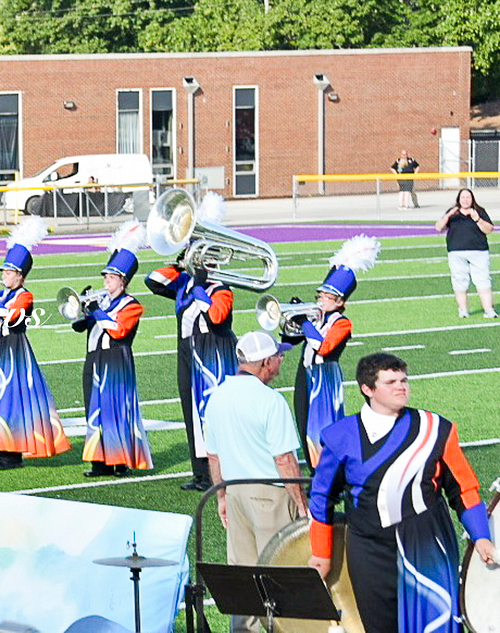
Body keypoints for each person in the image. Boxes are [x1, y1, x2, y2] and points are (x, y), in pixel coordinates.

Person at [307, 352, 497, 633]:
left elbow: (464, 488)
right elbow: (322, 497)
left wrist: (481, 535)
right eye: (391, 382)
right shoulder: (340, 436)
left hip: (428, 544)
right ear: (367, 389)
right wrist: (322, 553)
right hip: (370, 550)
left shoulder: (436, 429)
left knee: (436, 625)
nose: (401, 387)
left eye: (404, 380)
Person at [203, 331, 306, 633]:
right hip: (270, 495)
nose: (281, 361)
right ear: (265, 362)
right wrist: (301, 504)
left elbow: (213, 455)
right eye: (278, 357)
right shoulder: (270, 400)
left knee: (243, 576)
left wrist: (222, 497)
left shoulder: (218, 396)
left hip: (235, 492)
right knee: (280, 574)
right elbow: (284, 460)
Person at [145, 194, 238, 491]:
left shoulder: (221, 288)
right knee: (191, 410)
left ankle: (220, 474)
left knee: (211, 412)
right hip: (187, 351)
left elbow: (216, 317)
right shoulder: (185, 284)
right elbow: (153, 281)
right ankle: (200, 474)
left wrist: (200, 286)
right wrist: (179, 263)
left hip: (212, 352)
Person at [282, 235, 379, 465]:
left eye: (327, 297)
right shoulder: (316, 318)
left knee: (323, 425)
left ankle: (328, 471)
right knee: (303, 420)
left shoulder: (342, 323)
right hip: (305, 373)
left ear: (339, 302)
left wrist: (304, 322)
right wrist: (293, 321)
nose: (321, 300)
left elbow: (323, 347)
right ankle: (314, 470)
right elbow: (293, 340)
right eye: (320, 295)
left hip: (325, 377)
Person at [0, 216, 68, 470]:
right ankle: (5, 451)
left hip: (15, 348)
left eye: (8, 272)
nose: (3, 275)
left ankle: (11, 454)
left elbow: (11, 316)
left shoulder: (25, 296)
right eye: (3, 272)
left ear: (19, 275)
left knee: (12, 399)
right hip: (0, 347)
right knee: (1, 397)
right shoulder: (3, 293)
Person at [74, 221, 150, 477]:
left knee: (115, 410)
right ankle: (99, 462)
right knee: (93, 409)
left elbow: (118, 330)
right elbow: (80, 327)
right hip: (94, 359)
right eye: (105, 277)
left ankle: (119, 462)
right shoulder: (102, 301)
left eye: (111, 278)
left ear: (123, 281)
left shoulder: (131, 305)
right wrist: (82, 311)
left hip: (116, 360)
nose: (106, 282)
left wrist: (96, 310)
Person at [434, 188, 496, 319]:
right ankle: (463, 310)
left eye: (468, 197)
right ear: (458, 199)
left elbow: (489, 229)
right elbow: (438, 227)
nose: (465, 200)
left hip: (479, 251)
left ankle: (489, 310)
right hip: (456, 252)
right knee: (459, 281)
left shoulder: (479, 211)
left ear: (472, 199)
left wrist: (477, 219)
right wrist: (448, 215)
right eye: (463, 197)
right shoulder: (453, 213)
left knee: (483, 280)